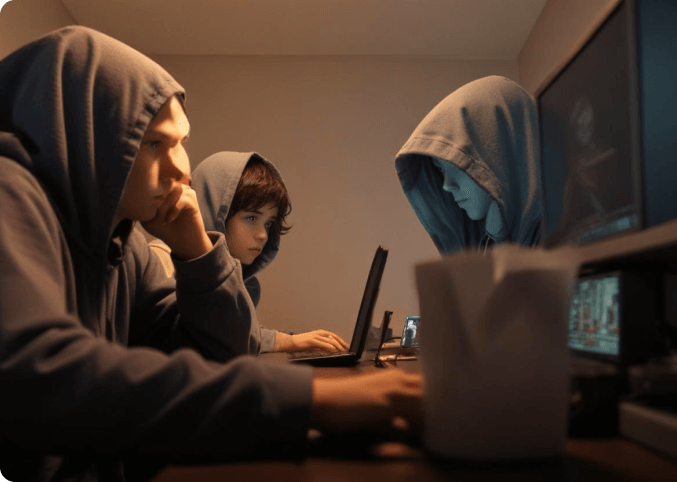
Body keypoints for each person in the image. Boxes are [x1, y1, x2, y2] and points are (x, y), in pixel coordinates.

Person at [0, 26, 422, 481]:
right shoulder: (10, 190)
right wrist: (309, 399)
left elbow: (221, 357)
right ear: (92, 136)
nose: (182, 169)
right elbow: (39, 379)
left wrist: (198, 250)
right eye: (154, 143)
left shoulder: (125, 245)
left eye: (180, 143)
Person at [149, 151, 349, 354]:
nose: (263, 235)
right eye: (251, 218)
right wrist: (286, 341)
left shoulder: (243, 284)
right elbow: (185, 342)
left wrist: (288, 340)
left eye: (269, 223)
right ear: (215, 210)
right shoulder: (161, 261)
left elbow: (230, 337)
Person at [395, 75, 542, 256]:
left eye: (457, 165)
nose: (447, 185)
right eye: (441, 169)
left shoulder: (566, 248)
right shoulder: (486, 250)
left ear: (500, 156)